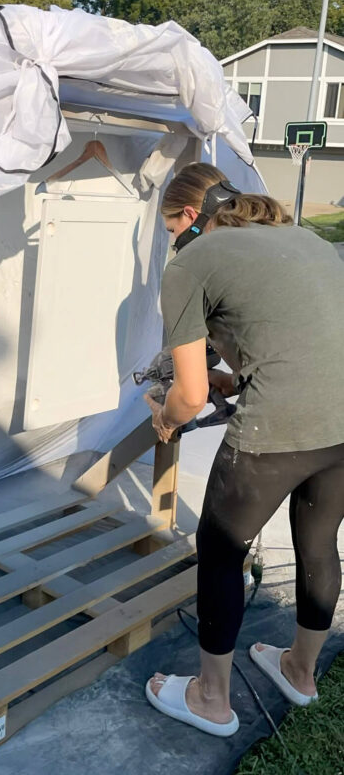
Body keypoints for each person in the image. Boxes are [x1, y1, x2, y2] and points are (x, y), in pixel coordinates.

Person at [143, 162, 344, 737]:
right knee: (318, 539)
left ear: (188, 216)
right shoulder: (303, 236)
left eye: (170, 228)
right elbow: (296, 340)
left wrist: (167, 418)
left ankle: (211, 698)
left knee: (221, 548)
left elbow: (189, 393)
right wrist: (236, 378)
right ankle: (300, 673)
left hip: (277, 429)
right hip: (343, 423)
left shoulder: (191, 261)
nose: (172, 239)